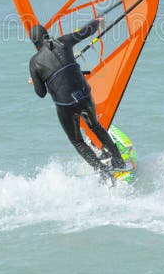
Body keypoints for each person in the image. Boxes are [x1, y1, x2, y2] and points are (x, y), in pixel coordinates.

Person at [28, 19, 127, 178]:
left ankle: (103, 172)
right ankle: (119, 161)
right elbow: (85, 31)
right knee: (95, 126)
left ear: (34, 43)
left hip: (65, 105)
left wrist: (37, 80)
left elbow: (41, 93)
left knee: (77, 141)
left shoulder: (34, 62)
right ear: (47, 35)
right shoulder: (63, 41)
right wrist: (97, 22)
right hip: (84, 96)